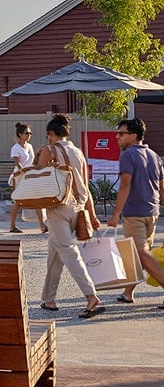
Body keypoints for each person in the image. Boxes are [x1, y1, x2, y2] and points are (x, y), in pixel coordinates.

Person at [37, 113, 104, 318]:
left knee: (68, 252)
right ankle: (49, 299)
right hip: (80, 207)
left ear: (50, 134)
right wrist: (92, 215)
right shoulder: (78, 152)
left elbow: (37, 178)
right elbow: (86, 185)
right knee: (55, 253)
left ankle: (91, 295)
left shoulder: (49, 150)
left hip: (59, 208)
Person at [106, 117, 164, 306]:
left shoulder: (128, 155)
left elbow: (125, 186)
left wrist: (115, 214)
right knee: (139, 253)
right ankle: (128, 292)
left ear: (133, 135)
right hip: (152, 213)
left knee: (140, 253)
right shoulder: (154, 155)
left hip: (135, 214)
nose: (117, 137)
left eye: (121, 133)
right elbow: (162, 187)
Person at [8, 123, 47, 234]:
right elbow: (18, 163)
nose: (29, 135)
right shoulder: (15, 148)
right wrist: (22, 170)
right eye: (26, 133)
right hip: (20, 176)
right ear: (20, 134)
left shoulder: (29, 146)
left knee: (37, 198)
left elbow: (33, 160)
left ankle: (42, 225)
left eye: (30, 133)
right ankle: (12, 225)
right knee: (18, 201)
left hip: (31, 175)